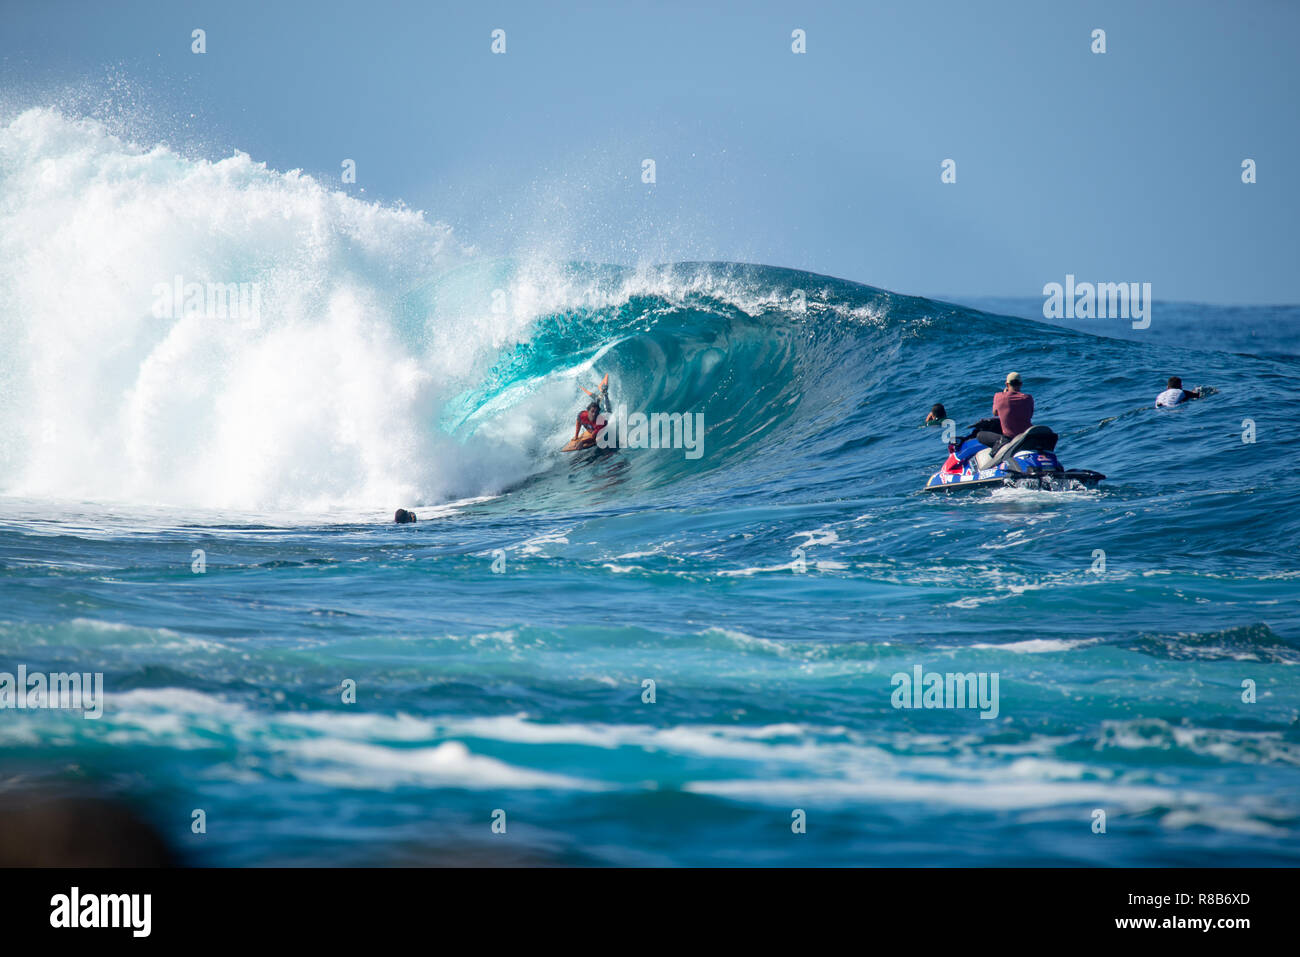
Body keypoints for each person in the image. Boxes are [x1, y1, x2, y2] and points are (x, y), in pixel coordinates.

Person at [957, 372, 1034, 450]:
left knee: (980, 435)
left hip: (1010, 438)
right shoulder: (1028, 398)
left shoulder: (998, 396)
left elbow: (995, 413)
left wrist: (1005, 394)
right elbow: (1029, 415)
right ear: (1020, 384)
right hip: (1025, 436)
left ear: (1007, 385)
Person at [573, 379, 611, 445]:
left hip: (606, 415)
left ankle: (604, 391)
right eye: (592, 412)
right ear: (587, 411)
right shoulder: (582, 415)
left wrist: (583, 442)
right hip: (593, 413)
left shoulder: (601, 422)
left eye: (596, 413)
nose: (594, 414)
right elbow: (578, 420)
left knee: (606, 406)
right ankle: (600, 390)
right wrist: (576, 436)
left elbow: (594, 438)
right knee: (596, 402)